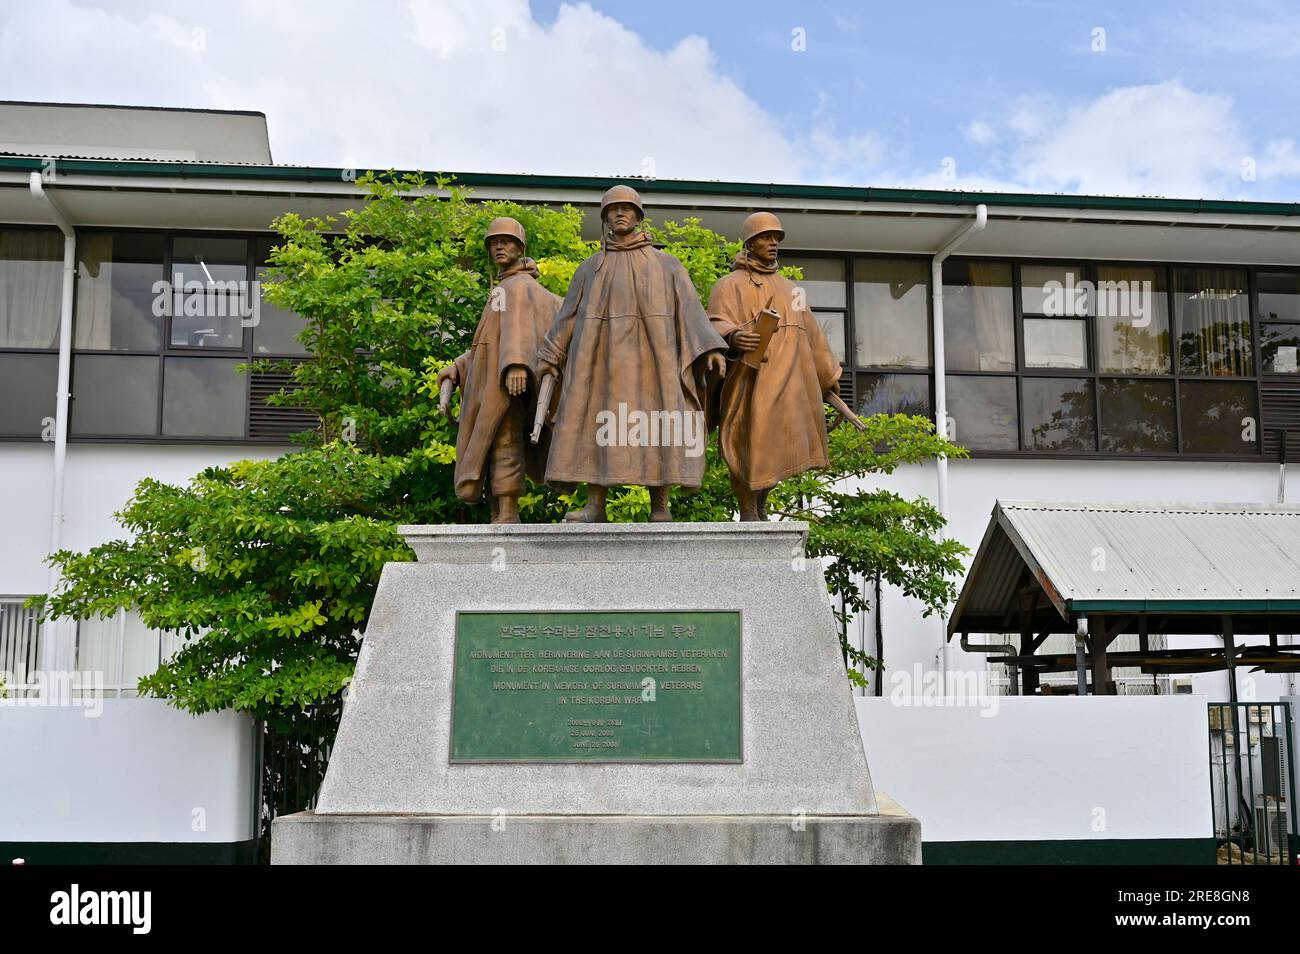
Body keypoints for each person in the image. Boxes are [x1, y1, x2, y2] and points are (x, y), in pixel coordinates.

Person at [535, 185, 727, 522]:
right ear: (605, 217)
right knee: (596, 426)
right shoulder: (590, 268)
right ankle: (595, 505)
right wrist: (550, 354)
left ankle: (661, 506)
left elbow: (691, 312)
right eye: (613, 209)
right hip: (600, 366)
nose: (620, 213)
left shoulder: (667, 265)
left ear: (638, 216)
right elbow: (567, 316)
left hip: (656, 364)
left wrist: (709, 348)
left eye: (627, 208)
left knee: (660, 425)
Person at [707, 211, 841, 520]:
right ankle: (747, 510)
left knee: (776, 445)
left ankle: (761, 507)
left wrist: (828, 375)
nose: (773, 243)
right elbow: (714, 323)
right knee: (746, 444)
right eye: (766, 237)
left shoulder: (792, 290)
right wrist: (734, 336)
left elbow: (813, 336)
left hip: (789, 381)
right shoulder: (729, 285)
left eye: (776, 238)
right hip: (749, 380)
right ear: (750, 243)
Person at [437, 217, 560, 523]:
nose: (499, 247)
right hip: (491, 379)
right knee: (493, 442)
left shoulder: (520, 287)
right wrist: (458, 366)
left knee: (506, 439)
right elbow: (488, 345)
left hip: (510, 383)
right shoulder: (502, 288)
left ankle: (508, 509)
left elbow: (526, 330)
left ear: (521, 248)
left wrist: (517, 364)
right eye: (494, 243)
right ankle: (497, 508)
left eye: (506, 242)